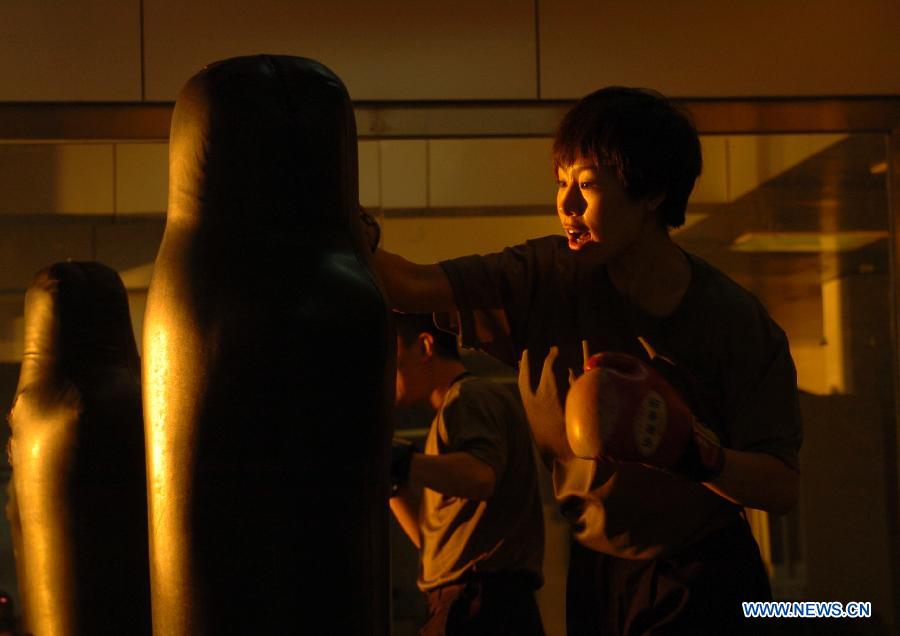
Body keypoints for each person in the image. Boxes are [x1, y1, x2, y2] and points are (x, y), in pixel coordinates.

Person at [373, 87, 802, 634]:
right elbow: (410, 285)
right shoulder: (545, 278)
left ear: (651, 195)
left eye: (589, 185)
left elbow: (782, 486)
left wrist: (699, 455)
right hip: (596, 571)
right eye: (562, 182)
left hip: (701, 571)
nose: (566, 204)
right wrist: (331, 209)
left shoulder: (734, 323)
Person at [389, 312, 545, 636]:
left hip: (481, 603)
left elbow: (480, 477)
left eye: (391, 356)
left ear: (425, 345)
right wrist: (391, 481)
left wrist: (403, 461)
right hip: (463, 601)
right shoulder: (449, 416)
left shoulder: (470, 396)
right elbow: (430, 539)